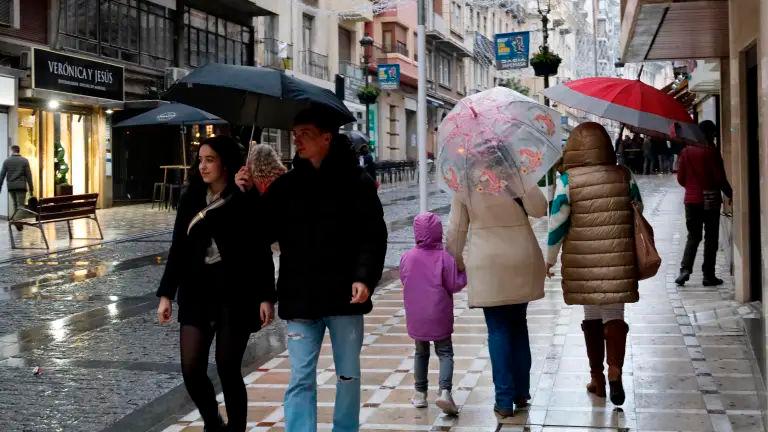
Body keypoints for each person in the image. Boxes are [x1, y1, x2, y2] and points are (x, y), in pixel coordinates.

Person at [236, 109, 388, 432]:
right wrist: (246, 194)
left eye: (304, 133)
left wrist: (364, 277)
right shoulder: (287, 186)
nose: (297, 139)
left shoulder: (356, 183)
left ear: (326, 138)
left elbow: (373, 235)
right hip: (300, 298)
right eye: (295, 133)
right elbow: (258, 232)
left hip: (345, 297)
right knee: (301, 378)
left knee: (347, 375)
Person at [156, 136, 277, 432]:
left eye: (210, 160)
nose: (203, 166)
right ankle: (213, 422)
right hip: (197, 291)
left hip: (235, 293)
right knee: (191, 368)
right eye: (200, 160)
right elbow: (178, 248)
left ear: (225, 162)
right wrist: (166, 294)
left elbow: (259, 247)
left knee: (227, 366)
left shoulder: (243, 196)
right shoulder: (191, 197)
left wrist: (265, 296)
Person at [545, 122, 641, 407]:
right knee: (614, 313)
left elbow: (557, 223)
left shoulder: (567, 180)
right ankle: (615, 372)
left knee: (592, 317)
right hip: (618, 256)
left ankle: (597, 378)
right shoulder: (624, 175)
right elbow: (638, 208)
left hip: (583, 259)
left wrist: (549, 259)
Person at [446, 182, 548, 418]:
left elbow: (455, 234)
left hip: (487, 263)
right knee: (519, 326)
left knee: (498, 329)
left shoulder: (465, 184)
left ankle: (503, 401)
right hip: (521, 257)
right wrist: (522, 179)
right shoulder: (515, 175)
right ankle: (521, 393)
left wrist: (460, 263)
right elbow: (540, 208)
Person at [400, 212, 467, 415]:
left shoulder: (407, 258)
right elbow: (454, 285)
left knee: (421, 352)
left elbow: (405, 280)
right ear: (439, 232)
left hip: (417, 316)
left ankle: (420, 394)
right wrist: (464, 273)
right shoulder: (445, 258)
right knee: (445, 353)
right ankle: (444, 391)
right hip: (439, 314)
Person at [674, 120, 733, 287]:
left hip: (691, 200)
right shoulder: (711, 152)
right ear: (708, 134)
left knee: (693, 236)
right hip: (710, 199)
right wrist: (731, 194)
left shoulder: (685, 152)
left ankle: (685, 269)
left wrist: (693, 189)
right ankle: (708, 275)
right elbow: (719, 178)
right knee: (711, 238)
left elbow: (681, 179)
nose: (714, 137)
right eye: (713, 134)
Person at [0, 144, 34, 230]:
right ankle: (15, 220)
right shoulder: (24, 161)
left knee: (16, 205)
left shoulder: (7, 161)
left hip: (11, 186)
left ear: (12, 150)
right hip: (21, 186)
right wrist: (31, 188)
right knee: (21, 206)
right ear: (19, 151)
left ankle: (18, 225)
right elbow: (29, 175)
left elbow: (2, 175)